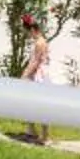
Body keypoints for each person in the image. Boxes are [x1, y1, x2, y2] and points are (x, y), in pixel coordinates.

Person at [19, 13, 51, 144]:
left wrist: (25, 75)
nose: (28, 35)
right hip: (37, 74)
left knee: (40, 105)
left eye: (28, 32)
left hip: (39, 76)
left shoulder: (39, 43)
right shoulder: (41, 41)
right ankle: (31, 131)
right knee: (29, 103)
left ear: (32, 29)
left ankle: (45, 136)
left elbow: (36, 62)